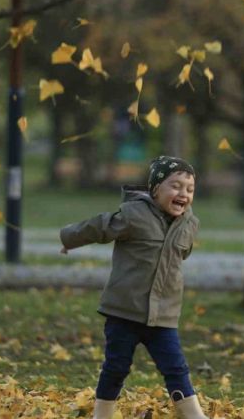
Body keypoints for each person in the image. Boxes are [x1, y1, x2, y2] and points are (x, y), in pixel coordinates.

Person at [59, 155, 208, 419]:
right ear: (155, 190)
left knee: (176, 368)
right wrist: (70, 238)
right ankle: (101, 415)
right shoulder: (133, 215)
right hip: (124, 312)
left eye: (189, 189)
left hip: (163, 316)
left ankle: (194, 415)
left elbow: (180, 256)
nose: (183, 194)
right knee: (116, 367)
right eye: (175, 186)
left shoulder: (189, 224)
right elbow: (99, 227)